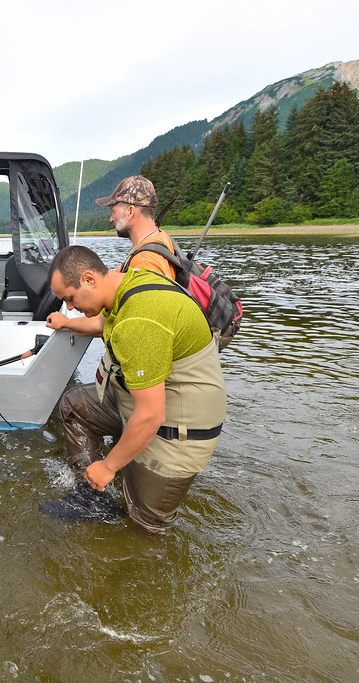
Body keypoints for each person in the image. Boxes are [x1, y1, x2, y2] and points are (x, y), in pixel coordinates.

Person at [42, 245, 227, 533]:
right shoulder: (128, 281)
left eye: (69, 298)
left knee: (145, 524)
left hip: (178, 427)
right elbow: (103, 322)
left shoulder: (139, 323)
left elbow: (151, 416)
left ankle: (144, 546)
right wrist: (67, 323)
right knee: (76, 406)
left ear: (89, 279)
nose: (69, 306)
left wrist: (108, 466)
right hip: (149, 402)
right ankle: (93, 498)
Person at [46, 175, 176, 338]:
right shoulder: (159, 239)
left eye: (113, 211)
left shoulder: (146, 259)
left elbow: (106, 323)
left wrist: (65, 322)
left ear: (130, 211)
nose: (111, 219)